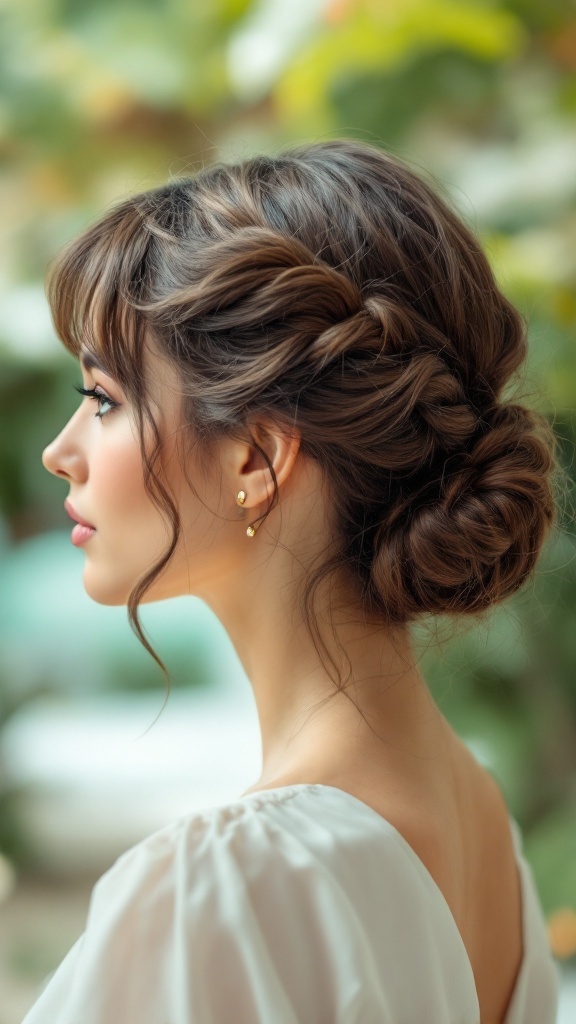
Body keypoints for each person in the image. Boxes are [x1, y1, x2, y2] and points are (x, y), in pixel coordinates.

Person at [28, 139, 559, 1023]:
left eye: (107, 398)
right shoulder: (481, 823)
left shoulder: (224, 883)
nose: (61, 450)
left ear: (257, 456)